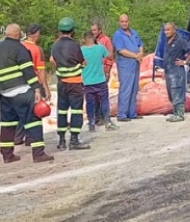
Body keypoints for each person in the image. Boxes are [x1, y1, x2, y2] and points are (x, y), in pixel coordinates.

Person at [0, 23, 54, 164]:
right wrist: (37, 89)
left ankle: (7, 155)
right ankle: (38, 154)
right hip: (20, 91)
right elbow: (28, 70)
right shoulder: (19, 48)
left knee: (8, 123)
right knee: (33, 120)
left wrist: (0, 89)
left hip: (4, 92)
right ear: (18, 34)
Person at [50, 17, 90, 151]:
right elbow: (81, 61)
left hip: (61, 83)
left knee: (61, 111)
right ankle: (74, 140)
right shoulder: (74, 45)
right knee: (76, 111)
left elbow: (53, 61)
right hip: (75, 83)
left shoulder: (55, 45)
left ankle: (61, 140)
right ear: (72, 30)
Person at [15, 23, 49, 148]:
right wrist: (45, 86)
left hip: (20, 83)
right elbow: (40, 70)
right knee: (35, 112)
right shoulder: (37, 49)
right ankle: (31, 138)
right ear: (36, 34)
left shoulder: (19, 46)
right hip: (33, 83)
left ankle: (17, 137)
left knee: (22, 111)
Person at [81, 30, 115, 133]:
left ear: (84, 40)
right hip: (100, 80)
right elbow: (110, 56)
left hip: (87, 81)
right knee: (104, 101)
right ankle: (107, 122)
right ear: (93, 38)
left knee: (90, 103)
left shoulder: (81, 50)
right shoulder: (100, 48)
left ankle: (91, 123)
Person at [159, 22, 190, 123]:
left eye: (168, 30)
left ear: (174, 30)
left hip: (176, 71)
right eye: (165, 30)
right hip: (168, 71)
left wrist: (185, 61)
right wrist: (164, 70)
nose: (166, 32)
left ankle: (180, 114)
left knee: (177, 91)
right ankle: (175, 113)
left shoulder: (180, 41)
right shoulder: (166, 42)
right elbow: (166, 57)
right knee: (171, 93)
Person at [113, 14, 144, 122]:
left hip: (135, 64)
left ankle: (132, 113)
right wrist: (136, 56)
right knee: (125, 89)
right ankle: (122, 114)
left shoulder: (134, 33)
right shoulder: (118, 35)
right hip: (125, 65)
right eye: (122, 21)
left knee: (134, 89)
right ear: (119, 22)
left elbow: (140, 44)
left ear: (129, 21)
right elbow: (121, 50)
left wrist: (140, 54)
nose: (124, 23)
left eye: (126, 21)